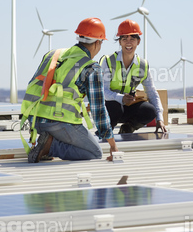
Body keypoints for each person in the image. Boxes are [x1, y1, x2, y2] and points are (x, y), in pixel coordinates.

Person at [21, 17, 118, 163]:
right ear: (98, 42)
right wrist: (113, 145)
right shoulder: (92, 68)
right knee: (94, 152)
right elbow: (99, 111)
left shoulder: (52, 55)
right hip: (59, 122)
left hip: (35, 121)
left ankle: (46, 142)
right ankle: (50, 146)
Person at [100, 19, 167, 133]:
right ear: (120, 42)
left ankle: (127, 128)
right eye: (124, 38)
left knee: (149, 110)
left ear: (138, 41)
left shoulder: (142, 65)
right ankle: (106, 132)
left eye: (132, 39)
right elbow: (102, 91)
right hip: (108, 108)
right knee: (115, 107)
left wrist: (159, 118)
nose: (128, 42)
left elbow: (151, 92)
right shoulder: (108, 61)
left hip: (127, 107)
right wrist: (120, 98)